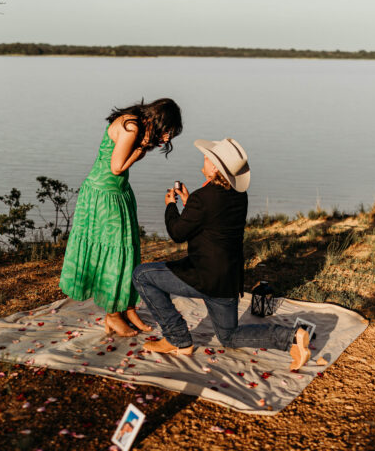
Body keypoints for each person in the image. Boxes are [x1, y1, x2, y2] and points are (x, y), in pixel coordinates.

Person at [132, 138, 312, 369]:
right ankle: (292, 338)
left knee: (141, 275)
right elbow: (213, 221)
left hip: (202, 276)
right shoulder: (238, 195)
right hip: (227, 278)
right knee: (228, 336)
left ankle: (177, 339)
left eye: (207, 158)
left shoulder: (203, 198)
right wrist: (189, 203)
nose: (204, 160)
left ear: (215, 167)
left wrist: (171, 205)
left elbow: (177, 233)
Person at [59, 98, 183, 337]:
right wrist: (140, 149)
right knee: (115, 254)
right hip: (104, 194)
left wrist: (145, 145)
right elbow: (117, 167)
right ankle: (113, 315)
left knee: (129, 251)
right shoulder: (131, 127)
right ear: (158, 120)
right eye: (167, 131)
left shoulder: (139, 124)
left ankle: (127, 307)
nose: (167, 138)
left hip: (119, 191)